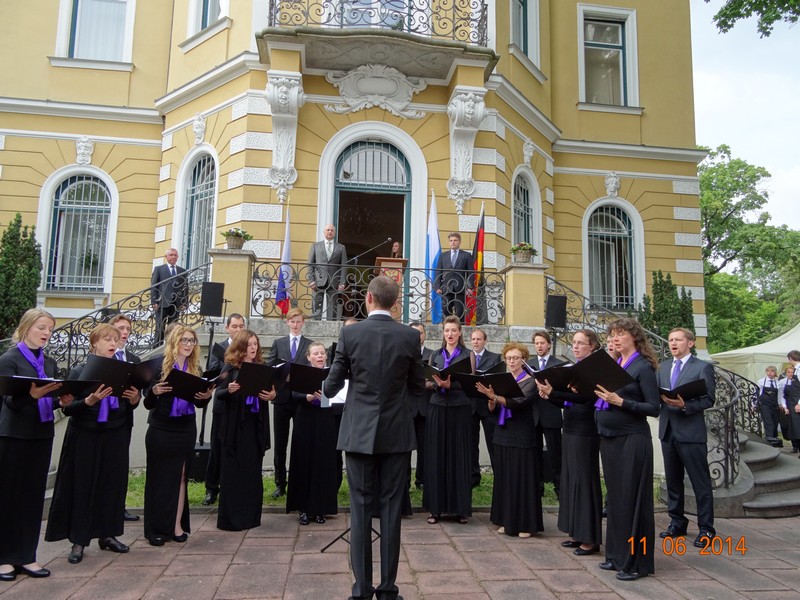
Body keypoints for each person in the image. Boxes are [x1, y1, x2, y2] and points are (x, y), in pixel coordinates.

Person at [324, 275, 425, 600]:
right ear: (395, 303)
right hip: (396, 433)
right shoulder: (410, 336)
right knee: (392, 510)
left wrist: (329, 383)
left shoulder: (350, 333)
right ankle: (388, 589)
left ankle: (361, 589)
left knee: (360, 508)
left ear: (368, 299)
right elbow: (418, 386)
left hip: (358, 433)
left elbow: (332, 385)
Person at [46, 324, 139, 563]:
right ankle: (79, 540)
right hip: (86, 435)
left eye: (115, 339)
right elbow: (68, 408)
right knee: (83, 485)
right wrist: (88, 400)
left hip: (115, 433)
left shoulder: (125, 371)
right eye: (107, 339)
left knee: (111, 484)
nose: (112, 343)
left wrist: (135, 398)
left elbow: (131, 403)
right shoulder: (80, 370)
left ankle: (107, 535)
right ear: (94, 344)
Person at [0, 309, 73, 582]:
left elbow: (47, 398)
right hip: (14, 436)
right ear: (27, 327)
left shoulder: (50, 363)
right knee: (9, 497)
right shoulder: (9, 360)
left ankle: (26, 556)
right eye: (41, 327)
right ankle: (5, 558)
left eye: (50, 329)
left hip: (41, 435)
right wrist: (31, 395)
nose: (46, 333)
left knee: (32, 498)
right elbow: (10, 403)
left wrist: (60, 401)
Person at [594, 318, 660, 581]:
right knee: (617, 501)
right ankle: (616, 555)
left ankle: (636, 562)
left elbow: (654, 408)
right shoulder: (616, 364)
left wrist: (620, 401)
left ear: (634, 337)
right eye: (612, 334)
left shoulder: (643, 367)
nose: (615, 338)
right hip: (610, 438)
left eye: (620, 334)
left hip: (633, 440)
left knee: (633, 501)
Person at [143, 326, 213, 546]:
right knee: (159, 477)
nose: (189, 344)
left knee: (182, 476)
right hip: (161, 428)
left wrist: (206, 395)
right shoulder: (158, 366)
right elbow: (147, 402)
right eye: (184, 340)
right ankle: (156, 528)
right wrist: (153, 392)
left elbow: (199, 402)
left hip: (185, 427)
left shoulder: (195, 368)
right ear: (174, 341)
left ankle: (176, 526)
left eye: (192, 341)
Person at [537, 329, 603, 556]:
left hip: (586, 430)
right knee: (571, 480)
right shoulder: (572, 368)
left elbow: (586, 397)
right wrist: (551, 396)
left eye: (580, 343)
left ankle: (591, 538)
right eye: (574, 343)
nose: (575, 346)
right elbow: (567, 402)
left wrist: (555, 392)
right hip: (571, 426)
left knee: (584, 481)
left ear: (592, 346)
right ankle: (576, 531)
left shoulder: (595, 368)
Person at [657, 327, 717, 549]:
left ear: (690, 343)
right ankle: (677, 522)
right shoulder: (662, 367)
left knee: (700, 482)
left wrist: (686, 405)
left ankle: (706, 529)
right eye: (671, 339)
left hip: (691, 433)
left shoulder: (702, 367)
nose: (673, 343)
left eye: (678, 340)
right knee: (673, 481)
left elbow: (709, 399)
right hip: (668, 431)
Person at [476, 342, 541, 538]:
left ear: (524, 360)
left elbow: (518, 403)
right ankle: (506, 520)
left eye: (516, 358)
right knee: (504, 478)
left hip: (521, 434)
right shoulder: (502, 380)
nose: (512, 361)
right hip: (502, 433)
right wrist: (490, 399)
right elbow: (492, 410)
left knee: (521, 479)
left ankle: (525, 524)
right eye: (509, 358)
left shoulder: (529, 381)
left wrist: (494, 396)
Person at [215, 330, 275, 530]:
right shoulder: (231, 367)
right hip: (235, 426)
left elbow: (271, 391)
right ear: (240, 347)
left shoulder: (262, 367)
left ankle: (251, 517)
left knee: (251, 470)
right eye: (249, 345)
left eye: (255, 344)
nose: (253, 348)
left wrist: (272, 394)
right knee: (233, 472)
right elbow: (219, 394)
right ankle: (231, 518)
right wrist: (229, 390)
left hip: (254, 424)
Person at [423, 315, 473, 525]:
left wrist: (451, 386)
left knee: (459, 455)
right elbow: (425, 382)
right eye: (447, 331)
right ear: (443, 333)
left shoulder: (468, 354)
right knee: (437, 456)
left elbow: (470, 383)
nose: (450, 334)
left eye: (453, 330)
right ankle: (436, 509)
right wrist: (437, 385)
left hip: (459, 409)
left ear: (460, 332)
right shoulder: (435, 354)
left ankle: (460, 508)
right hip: (437, 408)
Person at [286, 342, 339, 525]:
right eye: (316, 353)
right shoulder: (302, 372)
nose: (319, 356)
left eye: (322, 353)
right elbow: (293, 395)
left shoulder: (332, 373)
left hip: (325, 420)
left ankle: (320, 509)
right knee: (304, 461)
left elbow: (340, 394)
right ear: (308, 357)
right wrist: (307, 397)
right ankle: (304, 509)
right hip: (305, 420)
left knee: (323, 462)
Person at [266, 308, 312, 498]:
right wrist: (281, 376)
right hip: (282, 399)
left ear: (303, 323)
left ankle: (299, 480)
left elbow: (312, 370)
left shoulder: (309, 344)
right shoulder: (279, 343)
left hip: (301, 399)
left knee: (301, 442)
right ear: (287, 322)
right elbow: (270, 368)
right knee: (280, 443)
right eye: (292, 321)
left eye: (298, 321)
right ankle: (280, 483)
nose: (295, 325)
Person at [204, 313, 246, 506]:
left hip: (241, 406)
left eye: (240, 326)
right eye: (234, 326)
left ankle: (232, 487)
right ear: (227, 328)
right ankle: (211, 488)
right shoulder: (219, 349)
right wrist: (226, 371)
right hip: (222, 405)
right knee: (217, 447)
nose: (237, 330)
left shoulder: (247, 349)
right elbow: (212, 374)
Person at [109, 313, 143, 522]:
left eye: (127, 330)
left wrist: (135, 398)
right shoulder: (105, 355)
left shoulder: (133, 360)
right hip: (101, 419)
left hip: (122, 420)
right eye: (120, 328)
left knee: (120, 467)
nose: (124, 333)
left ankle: (118, 508)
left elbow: (137, 395)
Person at [528, 330, 563, 499]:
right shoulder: (529, 363)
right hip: (534, 414)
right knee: (535, 455)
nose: (539, 346)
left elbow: (561, 390)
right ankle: (537, 488)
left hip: (551, 413)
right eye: (537, 343)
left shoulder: (558, 364)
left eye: (542, 343)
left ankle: (559, 488)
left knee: (556, 454)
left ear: (549, 344)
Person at [468, 328, 501, 488]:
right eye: (473, 339)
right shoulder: (466, 357)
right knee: (471, 444)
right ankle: (474, 477)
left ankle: (499, 474)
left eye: (479, 339)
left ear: (485, 341)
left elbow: (497, 380)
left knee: (492, 441)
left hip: (488, 406)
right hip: (471, 406)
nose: (475, 342)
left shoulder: (494, 358)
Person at [307, 224, 348, 320]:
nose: (330, 232)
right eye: (328, 230)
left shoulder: (341, 248)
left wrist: (342, 282)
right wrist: (311, 280)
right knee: (316, 305)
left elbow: (344, 266)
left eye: (332, 230)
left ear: (335, 233)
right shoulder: (315, 246)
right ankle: (316, 325)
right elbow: (310, 264)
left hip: (334, 281)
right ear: (324, 232)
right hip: (318, 280)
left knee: (332, 307)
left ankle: (331, 325)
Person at [409, 321, 433, 490]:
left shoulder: (433, 354)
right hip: (408, 407)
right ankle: (405, 482)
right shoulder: (403, 353)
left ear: (425, 335)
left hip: (426, 407)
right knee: (405, 448)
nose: (418, 336)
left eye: (421, 333)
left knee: (425, 448)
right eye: (414, 333)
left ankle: (422, 480)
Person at [151, 248, 188, 344]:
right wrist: (154, 301)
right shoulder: (159, 269)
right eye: (171, 255)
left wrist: (185, 303)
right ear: (166, 257)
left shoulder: (182, 271)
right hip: (162, 302)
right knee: (160, 325)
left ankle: (171, 345)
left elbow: (185, 287)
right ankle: (157, 346)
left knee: (174, 326)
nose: (173, 257)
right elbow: (154, 286)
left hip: (176, 303)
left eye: (175, 255)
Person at [434, 232, 472, 321]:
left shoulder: (466, 255)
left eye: (455, 240)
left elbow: (471, 272)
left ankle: (460, 330)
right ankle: (447, 329)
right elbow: (438, 271)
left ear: (459, 242)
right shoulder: (443, 255)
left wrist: (470, 287)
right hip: (446, 288)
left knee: (460, 312)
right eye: (451, 240)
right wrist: (437, 286)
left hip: (460, 288)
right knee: (445, 310)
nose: (453, 242)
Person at [756, 366, 782, 447]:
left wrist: (782, 405)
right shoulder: (761, 382)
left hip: (775, 405)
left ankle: (774, 440)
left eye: (772, 371)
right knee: (768, 422)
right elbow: (756, 393)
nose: (769, 373)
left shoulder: (778, 383)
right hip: (765, 405)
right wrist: (754, 404)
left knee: (774, 422)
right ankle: (769, 440)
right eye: (768, 371)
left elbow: (780, 396)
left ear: (775, 373)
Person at [780, 365, 800, 454]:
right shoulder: (782, 382)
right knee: (789, 426)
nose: (790, 374)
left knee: (797, 426)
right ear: (786, 373)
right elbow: (780, 395)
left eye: (792, 372)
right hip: (787, 405)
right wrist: (784, 406)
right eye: (789, 372)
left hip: (796, 404)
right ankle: (794, 446)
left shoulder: (797, 381)